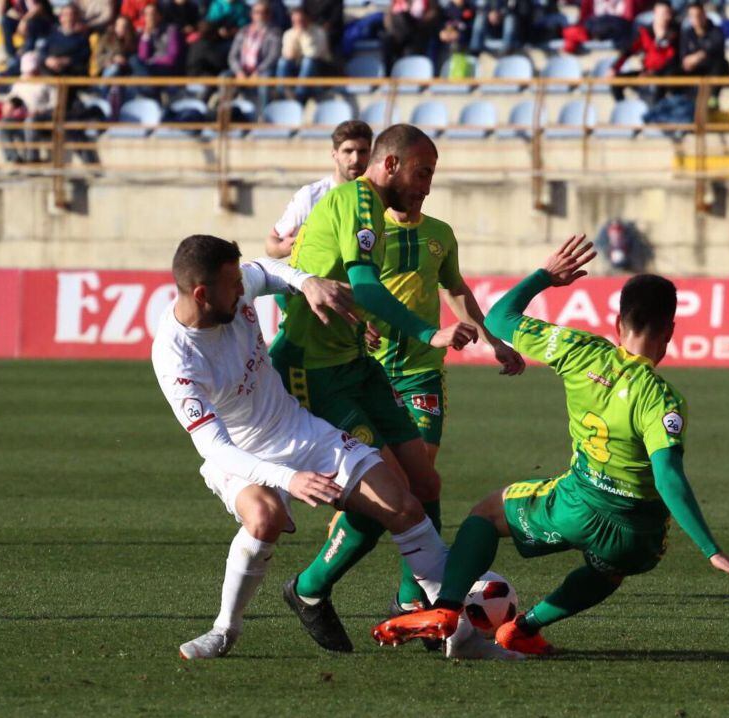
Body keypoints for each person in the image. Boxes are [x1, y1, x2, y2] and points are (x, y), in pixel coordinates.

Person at [374, 236, 729, 659]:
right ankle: (524, 629)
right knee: (611, 570)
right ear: (670, 331)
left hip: (577, 505)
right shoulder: (662, 399)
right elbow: (668, 476)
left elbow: (501, 316)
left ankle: (448, 608)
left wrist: (545, 276)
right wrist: (712, 552)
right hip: (639, 535)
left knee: (488, 513)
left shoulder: (581, 352)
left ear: (619, 325)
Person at [154, 235, 453, 659]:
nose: (243, 292)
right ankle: (225, 629)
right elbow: (215, 447)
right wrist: (288, 479)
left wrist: (308, 282)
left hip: (298, 429)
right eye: (232, 285)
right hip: (240, 453)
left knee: (404, 507)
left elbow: (267, 269)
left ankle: (455, 618)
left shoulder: (235, 290)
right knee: (265, 518)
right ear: (202, 294)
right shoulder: (175, 358)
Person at [270, 124, 486, 655]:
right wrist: (425, 331)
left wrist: (354, 321)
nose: (428, 186)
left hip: (356, 363)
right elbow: (362, 284)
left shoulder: (377, 213)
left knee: (424, 484)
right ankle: (314, 589)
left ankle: (422, 602)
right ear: (390, 165)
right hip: (314, 373)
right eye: (422, 172)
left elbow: (340, 283)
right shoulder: (359, 202)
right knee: (390, 496)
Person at [369, 193, 526, 617]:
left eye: (428, 174)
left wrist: (494, 342)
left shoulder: (439, 234)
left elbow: (455, 289)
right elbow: (347, 286)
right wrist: (356, 323)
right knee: (387, 481)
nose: (422, 184)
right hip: (369, 369)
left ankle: (410, 594)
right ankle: (320, 581)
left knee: (422, 473)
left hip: (423, 369)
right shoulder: (368, 230)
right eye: (417, 172)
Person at [266, 119, 373, 259]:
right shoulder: (311, 196)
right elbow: (271, 243)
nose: (355, 158)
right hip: (318, 278)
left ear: (370, 154)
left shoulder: (378, 196)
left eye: (362, 151)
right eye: (348, 151)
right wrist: (282, 248)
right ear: (334, 154)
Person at [607, 0, 679, 103]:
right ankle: (623, 107)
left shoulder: (675, 33)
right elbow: (629, 50)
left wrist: (653, 73)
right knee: (617, 81)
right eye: (663, 13)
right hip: (646, 72)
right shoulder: (645, 32)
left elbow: (672, 59)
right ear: (655, 13)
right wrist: (614, 67)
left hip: (663, 76)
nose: (666, 17)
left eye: (668, 13)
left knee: (660, 84)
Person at [228, 0, 282, 108]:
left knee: (264, 81)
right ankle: (224, 116)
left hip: (262, 71)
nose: (260, 16)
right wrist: (238, 72)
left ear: (269, 15)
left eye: (264, 12)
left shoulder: (274, 32)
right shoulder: (243, 31)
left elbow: (273, 56)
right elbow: (232, 56)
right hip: (242, 70)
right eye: (257, 12)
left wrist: (258, 72)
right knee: (224, 77)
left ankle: (263, 116)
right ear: (252, 14)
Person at [679, 0, 729, 108]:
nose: (696, 19)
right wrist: (687, 61)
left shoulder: (716, 30)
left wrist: (699, 56)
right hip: (695, 71)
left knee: (719, 63)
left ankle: (713, 97)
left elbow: (717, 47)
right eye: (692, 16)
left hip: (713, 70)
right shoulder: (687, 34)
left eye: (698, 15)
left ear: (704, 15)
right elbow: (683, 56)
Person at [277, 7, 331, 103]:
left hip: (319, 69)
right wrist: (295, 38)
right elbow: (288, 55)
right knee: (282, 62)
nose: (298, 23)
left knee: (308, 61)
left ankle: (298, 96)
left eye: (301, 20)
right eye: (295, 21)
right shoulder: (289, 33)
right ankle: (283, 94)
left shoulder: (319, 32)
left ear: (308, 19)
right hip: (298, 70)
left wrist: (304, 36)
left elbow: (312, 54)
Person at [562, 0, 646, 55]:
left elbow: (631, 20)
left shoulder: (631, 3)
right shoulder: (589, 4)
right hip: (595, 29)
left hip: (622, 29)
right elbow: (582, 22)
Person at [40, 2, 92, 77]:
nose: (69, 18)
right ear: (60, 18)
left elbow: (84, 55)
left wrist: (66, 61)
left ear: (77, 17)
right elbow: (42, 51)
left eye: (72, 14)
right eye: (66, 15)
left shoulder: (82, 37)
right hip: (50, 72)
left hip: (72, 74)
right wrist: (48, 59)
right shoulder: (52, 35)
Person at [469, 0, 533, 56]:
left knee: (510, 19)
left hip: (504, 19)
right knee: (480, 18)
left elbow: (513, 7)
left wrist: (501, 14)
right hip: (489, 22)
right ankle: (475, 51)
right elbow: (480, 6)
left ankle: (508, 50)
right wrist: (489, 13)